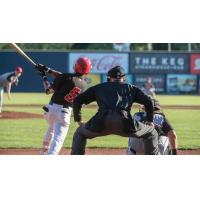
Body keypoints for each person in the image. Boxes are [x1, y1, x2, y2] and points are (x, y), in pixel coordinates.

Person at [71, 66, 159, 155]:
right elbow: (148, 101)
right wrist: (149, 121)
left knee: (80, 133)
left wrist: (79, 120)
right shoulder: (131, 88)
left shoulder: (99, 87)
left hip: (101, 123)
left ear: (109, 77)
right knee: (151, 132)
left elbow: (77, 100)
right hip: (125, 124)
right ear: (124, 78)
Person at [35, 57, 92, 155]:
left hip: (50, 111)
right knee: (58, 140)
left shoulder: (65, 77)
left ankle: (43, 152)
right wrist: (47, 69)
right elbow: (63, 76)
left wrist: (44, 76)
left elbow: (48, 90)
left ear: (76, 66)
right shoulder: (84, 85)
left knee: (51, 128)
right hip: (64, 113)